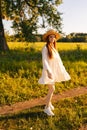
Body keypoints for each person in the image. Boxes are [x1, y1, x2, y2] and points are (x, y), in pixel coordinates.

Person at [38, 29, 71, 116]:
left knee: (52, 88)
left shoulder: (53, 47)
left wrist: (62, 69)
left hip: (54, 70)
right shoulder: (45, 48)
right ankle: (46, 108)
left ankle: (49, 103)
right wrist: (49, 71)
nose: (52, 38)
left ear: (55, 39)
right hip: (48, 71)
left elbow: (58, 61)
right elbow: (44, 61)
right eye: (50, 37)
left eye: (53, 37)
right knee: (52, 89)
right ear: (48, 38)